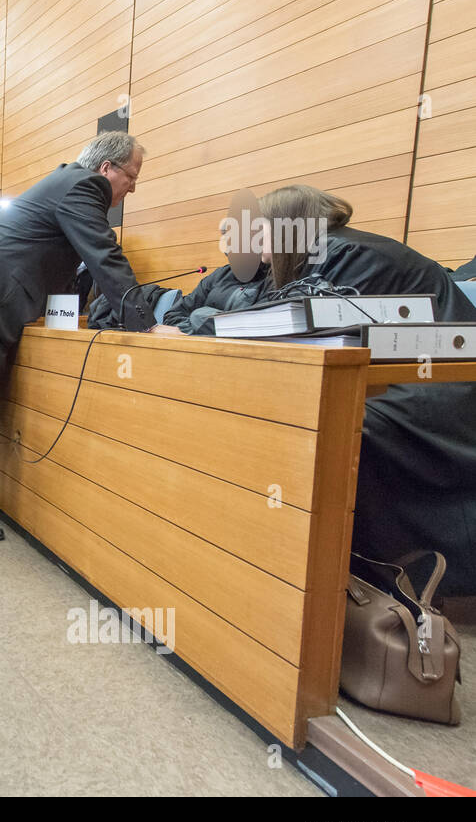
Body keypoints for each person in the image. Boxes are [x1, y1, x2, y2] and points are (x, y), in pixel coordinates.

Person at [185, 186, 476, 596]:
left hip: (439, 393)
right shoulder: (323, 253)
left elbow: (293, 323)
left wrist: (200, 326)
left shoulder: (349, 253)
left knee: (319, 426)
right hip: (388, 379)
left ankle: (334, 573)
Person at [0, 132, 169, 541]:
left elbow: (60, 265)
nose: (133, 187)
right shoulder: (85, 186)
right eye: (132, 176)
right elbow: (104, 256)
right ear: (107, 169)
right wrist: (147, 323)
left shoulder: (65, 182)